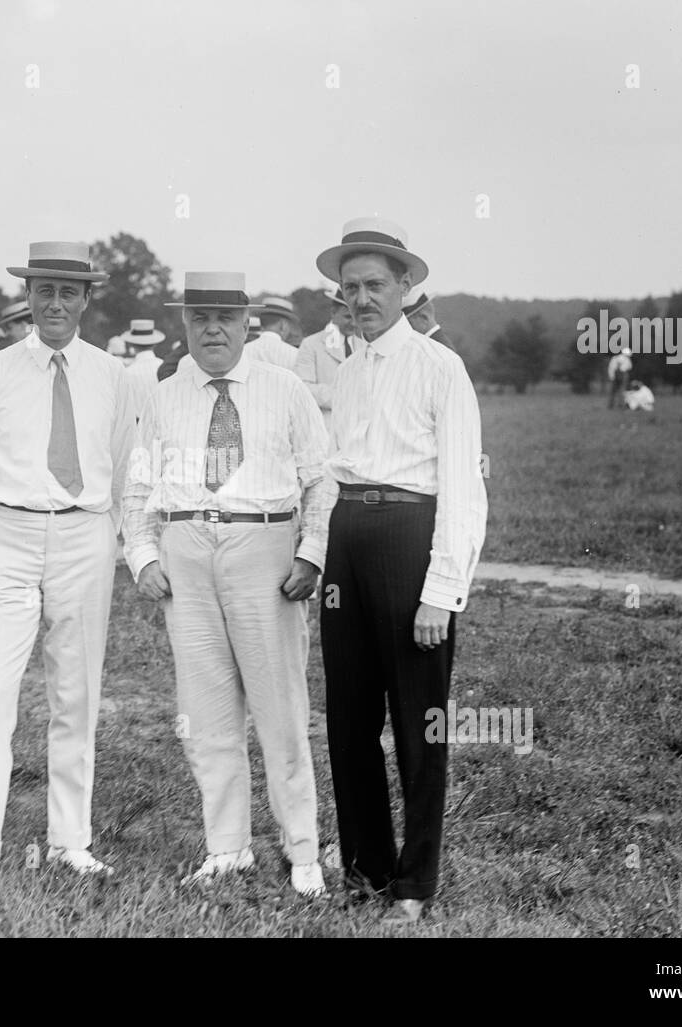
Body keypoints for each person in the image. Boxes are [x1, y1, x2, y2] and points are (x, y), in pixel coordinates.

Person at [0, 241, 135, 893]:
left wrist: (110, 534)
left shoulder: (112, 375)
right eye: (42, 289)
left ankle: (70, 840)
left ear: (85, 299)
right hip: (9, 533)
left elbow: (127, 464)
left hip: (85, 533)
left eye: (67, 292)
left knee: (76, 692)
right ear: (28, 296)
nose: (53, 303)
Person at [124, 272, 332, 897]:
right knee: (207, 713)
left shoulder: (284, 387)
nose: (211, 329)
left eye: (224, 317)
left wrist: (313, 552)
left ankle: (302, 852)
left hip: (263, 548)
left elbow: (321, 479)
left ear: (248, 325)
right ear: (183, 326)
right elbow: (136, 487)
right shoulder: (165, 395)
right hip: (186, 552)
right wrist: (141, 555)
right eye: (198, 318)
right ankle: (227, 847)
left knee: (280, 711)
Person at [315, 217, 487, 919]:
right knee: (349, 719)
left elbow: (463, 486)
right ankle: (366, 871)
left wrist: (440, 592)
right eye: (349, 287)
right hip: (348, 537)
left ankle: (414, 886)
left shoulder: (439, 366)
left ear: (407, 285)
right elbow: (334, 472)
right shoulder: (348, 370)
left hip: (411, 536)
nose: (361, 298)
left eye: (375, 285)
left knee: (420, 725)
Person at [295, 287, 355, 430]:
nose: (353, 323)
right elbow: (302, 388)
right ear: (333, 313)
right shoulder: (311, 344)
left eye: (355, 316)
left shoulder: (365, 344)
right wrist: (343, 397)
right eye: (347, 317)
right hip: (325, 426)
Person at [119, 318, 164, 420]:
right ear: (155, 343)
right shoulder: (163, 367)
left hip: (138, 428)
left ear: (130, 343)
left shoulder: (127, 373)